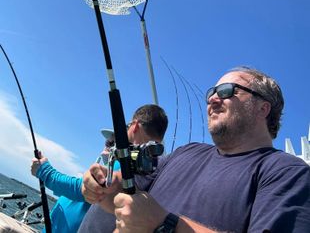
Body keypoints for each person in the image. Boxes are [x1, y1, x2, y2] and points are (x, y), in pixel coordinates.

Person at [82, 66, 310, 233]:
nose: (212, 99)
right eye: (212, 92)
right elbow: (124, 193)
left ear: (263, 108)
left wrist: (166, 225)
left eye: (227, 91)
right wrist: (102, 187)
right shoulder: (186, 152)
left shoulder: (288, 173)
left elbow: (150, 218)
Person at [78, 103, 169, 233]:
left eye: (127, 126)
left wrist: (45, 171)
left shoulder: (124, 159)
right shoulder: (164, 171)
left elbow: (92, 188)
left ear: (135, 125)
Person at [31, 129, 118, 233]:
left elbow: (79, 188)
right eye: (107, 143)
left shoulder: (120, 171)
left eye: (112, 144)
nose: (106, 148)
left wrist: (45, 171)